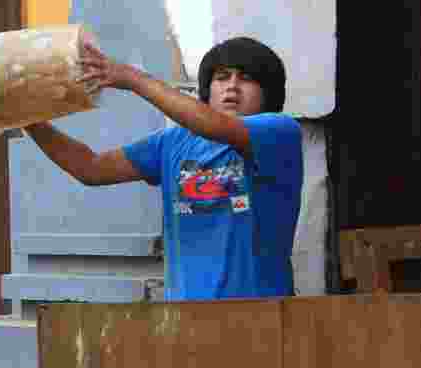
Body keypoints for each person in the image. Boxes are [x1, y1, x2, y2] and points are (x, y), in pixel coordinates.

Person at [25, 37, 303, 301]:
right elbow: (90, 168)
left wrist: (131, 78)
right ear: (207, 89)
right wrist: (26, 117)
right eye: (222, 77)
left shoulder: (280, 131)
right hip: (184, 318)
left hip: (262, 318)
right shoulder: (174, 141)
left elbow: (212, 125)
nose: (232, 86)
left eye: (247, 78)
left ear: (269, 92)